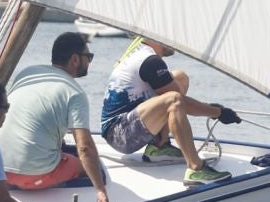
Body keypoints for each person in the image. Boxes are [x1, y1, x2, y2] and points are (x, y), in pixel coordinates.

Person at [0, 31, 113, 202]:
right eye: (88, 57)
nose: (90, 61)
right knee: (91, 165)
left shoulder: (28, 73)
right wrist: (101, 191)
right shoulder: (75, 93)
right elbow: (85, 148)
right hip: (30, 176)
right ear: (75, 59)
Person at [99, 38, 240, 185]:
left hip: (129, 123)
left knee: (180, 78)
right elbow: (179, 102)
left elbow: (179, 99)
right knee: (173, 100)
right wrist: (218, 112)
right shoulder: (150, 62)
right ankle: (196, 168)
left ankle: (160, 145)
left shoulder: (143, 53)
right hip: (119, 135)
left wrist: (211, 109)